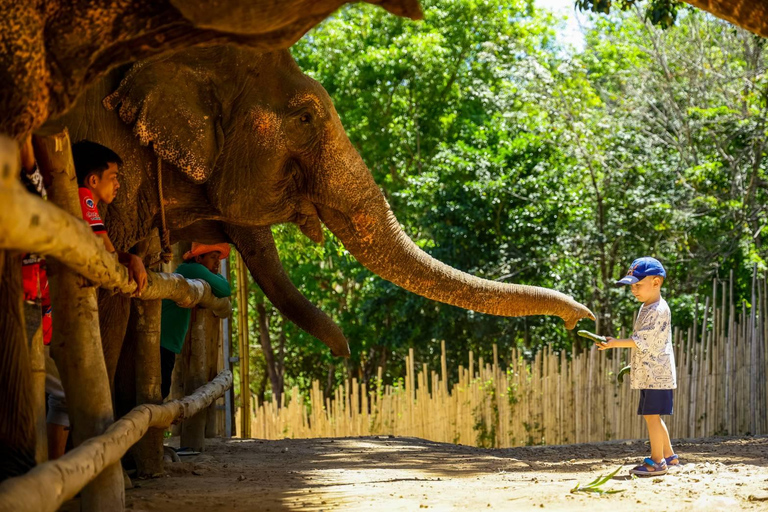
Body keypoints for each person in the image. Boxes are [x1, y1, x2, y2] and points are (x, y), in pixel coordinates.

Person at [597, 257, 678, 476]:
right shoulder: (647, 306)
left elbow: (640, 341)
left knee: (652, 416)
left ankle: (657, 461)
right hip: (649, 373)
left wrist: (614, 343)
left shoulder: (657, 310)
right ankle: (670, 457)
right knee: (653, 415)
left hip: (657, 374)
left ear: (656, 282)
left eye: (638, 284)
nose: (634, 289)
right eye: (632, 285)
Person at [73, 139, 148, 294]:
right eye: (113, 177)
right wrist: (131, 259)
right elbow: (109, 254)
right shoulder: (83, 196)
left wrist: (130, 258)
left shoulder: (82, 200)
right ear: (93, 180)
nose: (117, 184)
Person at [160, 243, 232, 399]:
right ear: (199, 258)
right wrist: (214, 275)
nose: (217, 262)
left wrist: (212, 272)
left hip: (167, 341)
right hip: (163, 341)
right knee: (160, 390)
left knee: (162, 389)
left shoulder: (192, 270)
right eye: (213, 257)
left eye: (218, 258)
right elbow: (225, 289)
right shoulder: (193, 269)